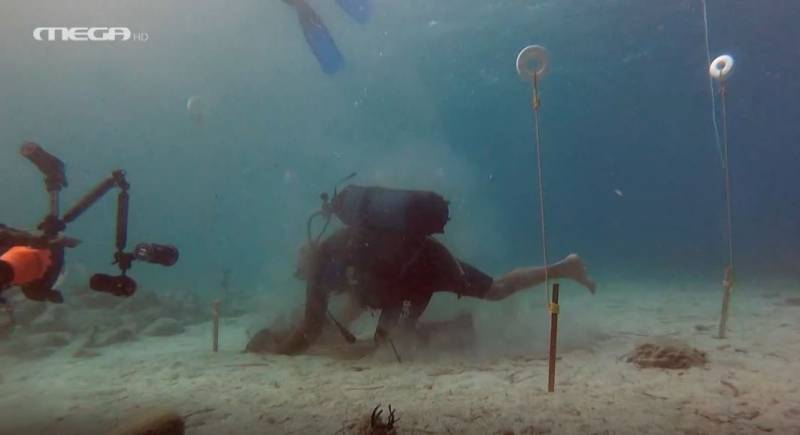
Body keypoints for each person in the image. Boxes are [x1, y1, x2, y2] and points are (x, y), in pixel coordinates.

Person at [252, 223, 596, 356]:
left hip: (429, 264)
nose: (308, 280)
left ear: (311, 258)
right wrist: (284, 342)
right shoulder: (331, 261)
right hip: (408, 281)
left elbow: (312, 328)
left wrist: (279, 349)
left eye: (305, 270)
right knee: (383, 339)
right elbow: (322, 323)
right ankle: (459, 328)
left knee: (496, 289)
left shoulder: (342, 248)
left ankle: (566, 266)